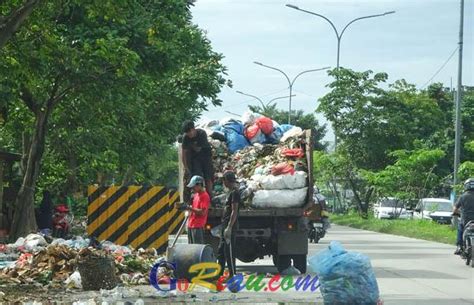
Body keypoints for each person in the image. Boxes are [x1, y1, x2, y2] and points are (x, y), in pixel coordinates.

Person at [181, 120, 213, 198]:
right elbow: (184, 153)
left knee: (208, 178)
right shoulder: (185, 137)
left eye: (190, 131)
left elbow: (198, 149)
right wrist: (186, 167)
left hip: (206, 157)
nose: (189, 134)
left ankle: (209, 198)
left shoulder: (202, 133)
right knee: (195, 178)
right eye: (187, 132)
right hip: (195, 159)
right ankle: (196, 198)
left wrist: (191, 145)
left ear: (194, 129)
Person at [218, 171, 240, 278]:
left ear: (227, 180)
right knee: (221, 250)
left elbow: (234, 211)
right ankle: (219, 274)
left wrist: (229, 227)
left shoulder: (235, 193)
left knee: (229, 251)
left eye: (224, 180)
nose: (223, 183)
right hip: (225, 224)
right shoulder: (229, 193)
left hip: (229, 226)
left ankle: (232, 275)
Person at [183, 175, 210, 244]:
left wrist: (190, 208)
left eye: (194, 186)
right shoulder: (196, 195)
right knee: (191, 248)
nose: (192, 189)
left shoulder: (204, 196)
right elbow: (194, 208)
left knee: (197, 248)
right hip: (191, 224)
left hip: (198, 226)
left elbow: (202, 212)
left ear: (200, 185)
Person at [453, 178, 474, 255]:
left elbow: (455, 209)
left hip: (466, 220)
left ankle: (459, 246)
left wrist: (458, 213)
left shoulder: (463, 196)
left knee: (460, 228)